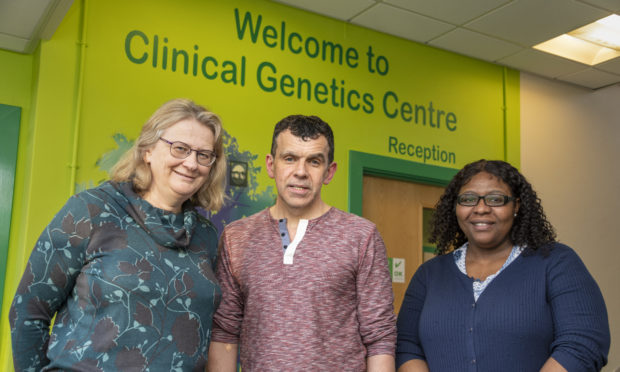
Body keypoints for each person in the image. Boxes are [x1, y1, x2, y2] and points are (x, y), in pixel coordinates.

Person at [9, 98, 226, 371]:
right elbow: (28, 311)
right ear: (147, 150)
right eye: (180, 148)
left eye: (203, 154)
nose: (192, 163)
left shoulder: (206, 235)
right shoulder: (91, 210)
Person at [208, 115, 397, 371]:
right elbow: (225, 332)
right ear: (270, 165)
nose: (300, 172)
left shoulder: (361, 236)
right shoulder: (237, 236)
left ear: (329, 172)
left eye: (314, 161)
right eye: (289, 158)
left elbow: (380, 338)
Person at [396, 159, 610, 372]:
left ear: (516, 205)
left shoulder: (556, 263)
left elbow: (582, 344)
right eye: (468, 199)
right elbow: (407, 346)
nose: (481, 209)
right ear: (456, 207)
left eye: (495, 199)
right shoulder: (429, 274)